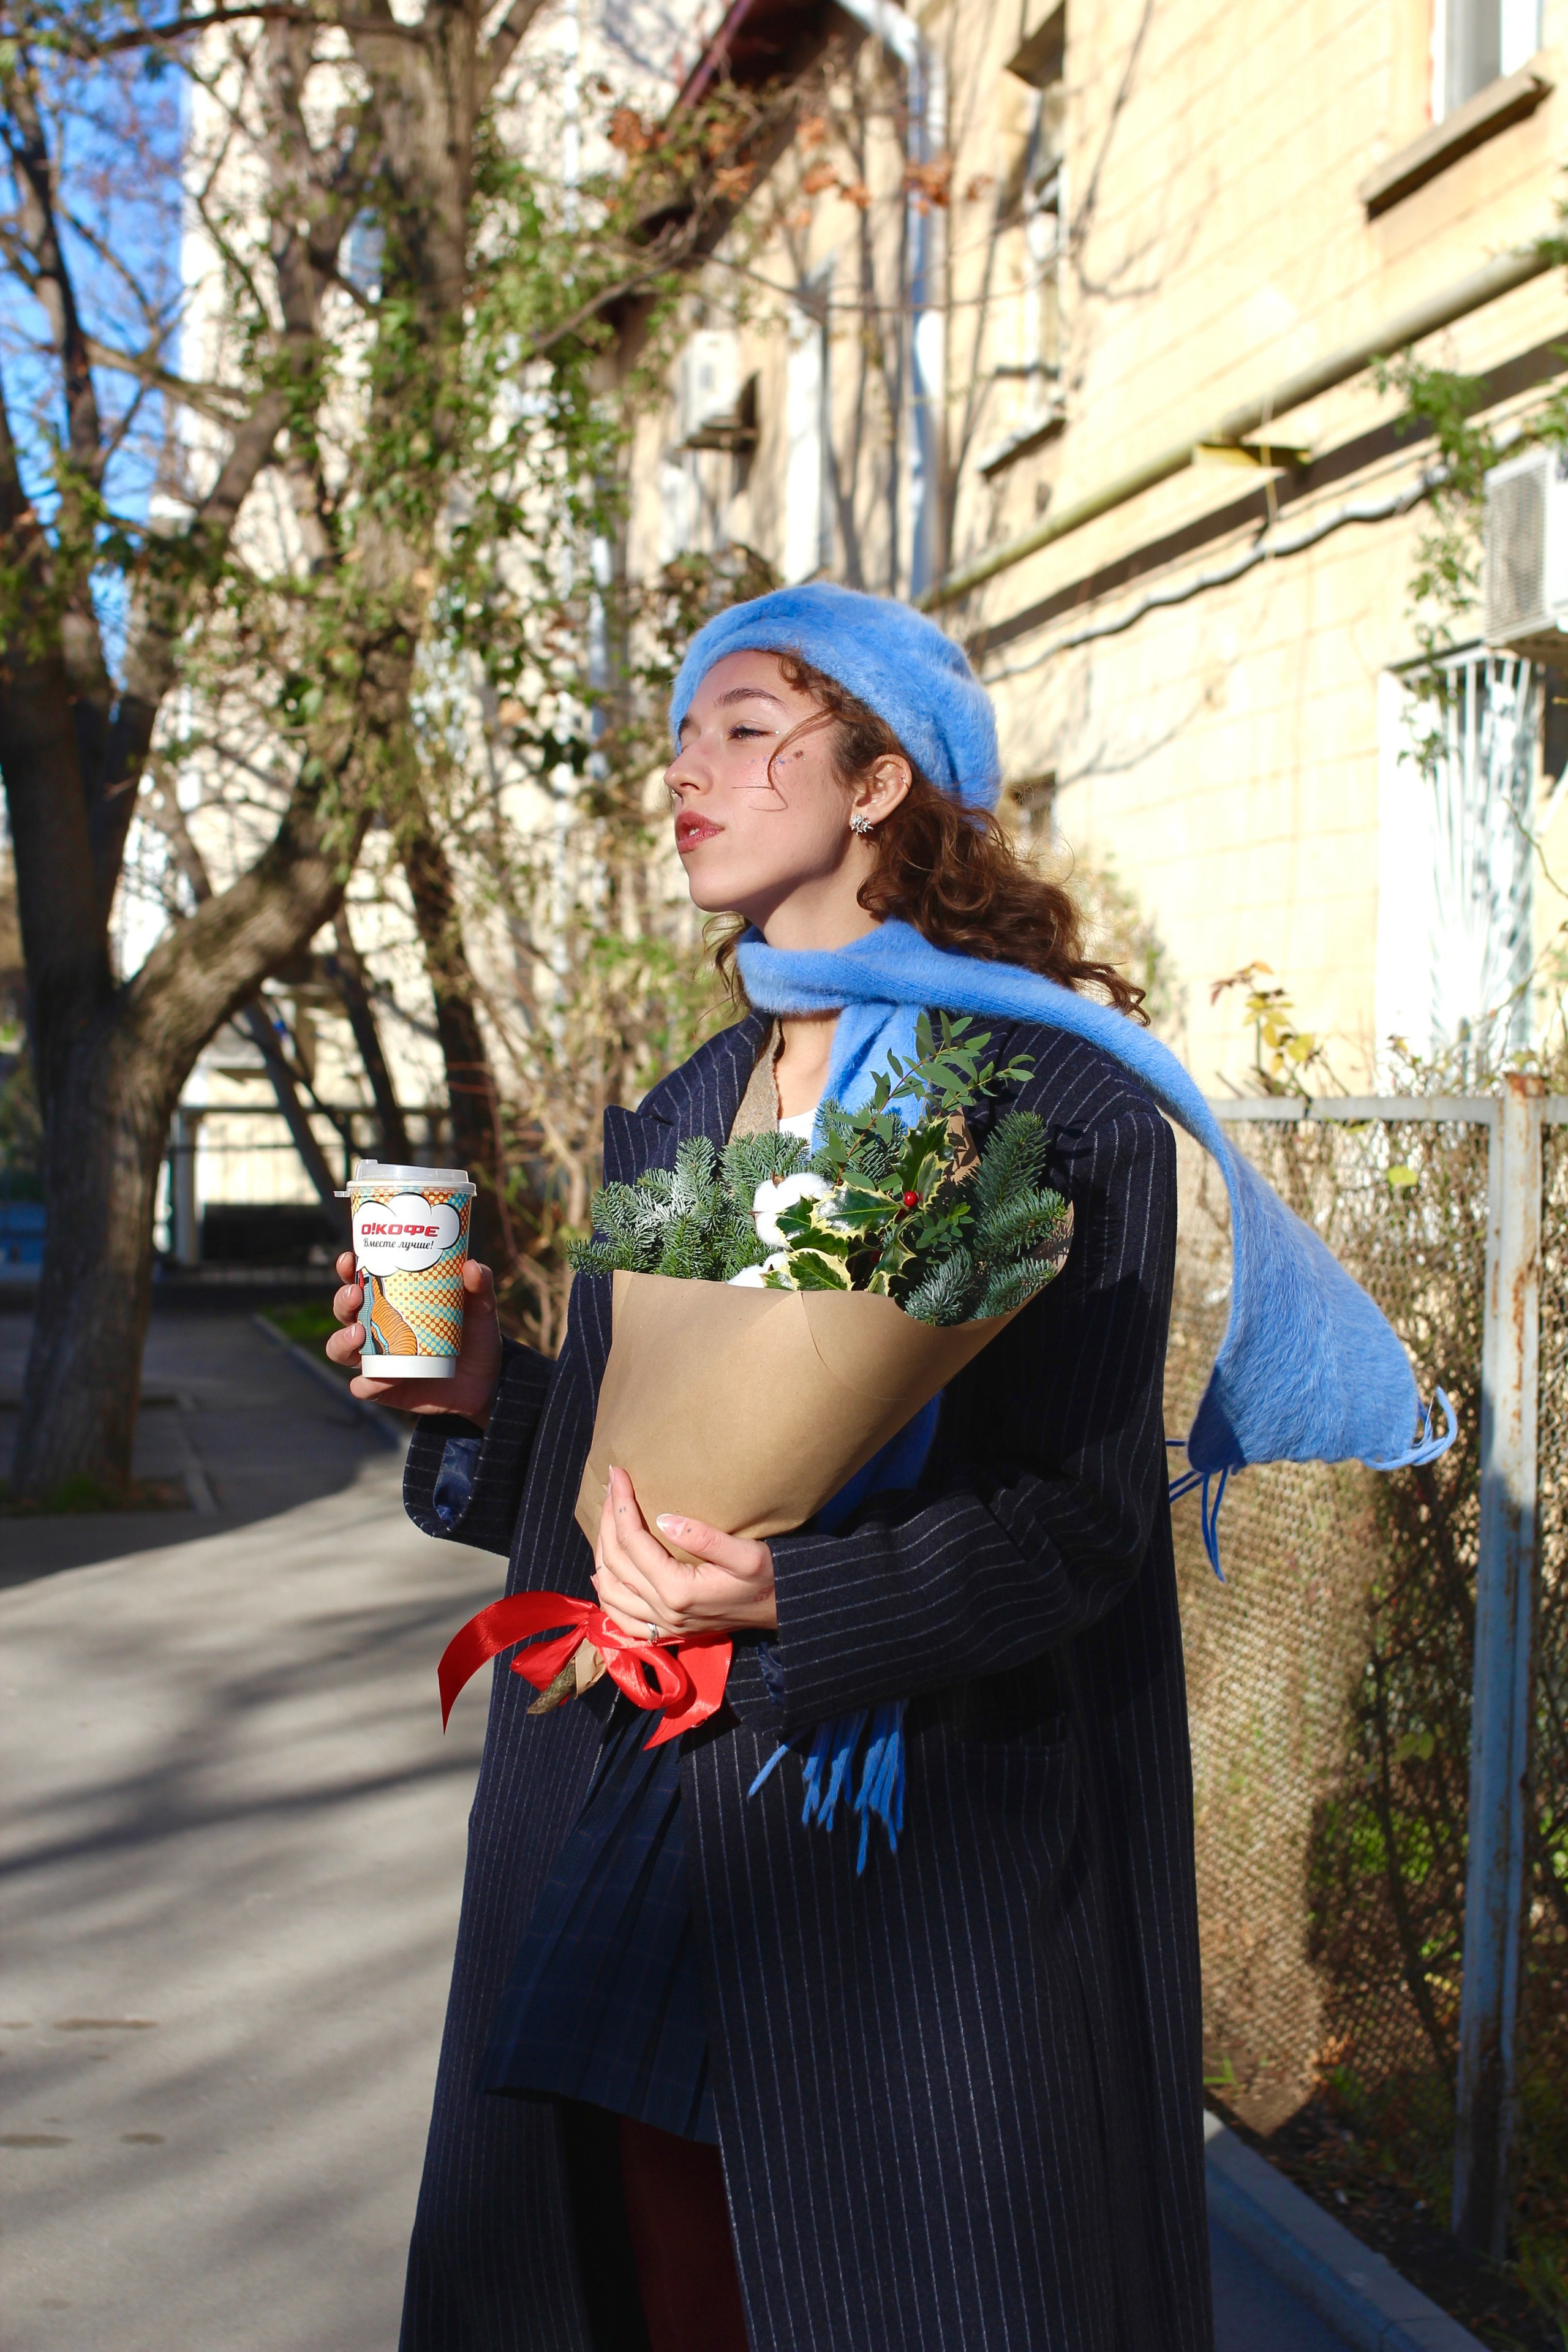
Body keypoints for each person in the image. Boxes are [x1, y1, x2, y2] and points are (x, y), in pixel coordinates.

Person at [328, 586, 1215, 2351]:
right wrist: (481, 1404)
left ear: (881, 778)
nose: (687, 773)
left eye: (745, 728)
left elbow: (1088, 1521)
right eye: (680, 736)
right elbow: (626, 1480)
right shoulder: (696, 1100)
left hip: (905, 1856)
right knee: (640, 2273)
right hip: (641, 1776)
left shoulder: (1048, 1102)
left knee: (866, 2286)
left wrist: (796, 1593)